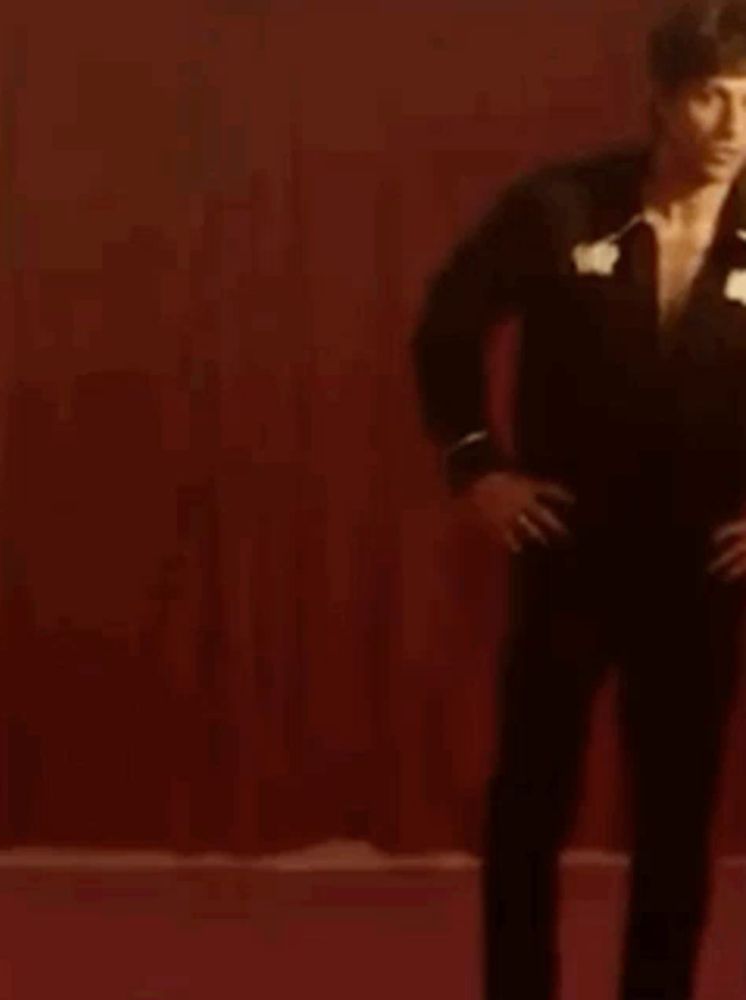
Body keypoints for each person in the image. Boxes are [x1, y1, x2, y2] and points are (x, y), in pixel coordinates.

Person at [411, 2, 746, 998]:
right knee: (527, 805)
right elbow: (444, 327)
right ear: (661, 99)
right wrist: (477, 465)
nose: (734, 124)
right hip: (568, 549)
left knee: (676, 818)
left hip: (702, 566)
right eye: (710, 96)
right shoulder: (557, 205)